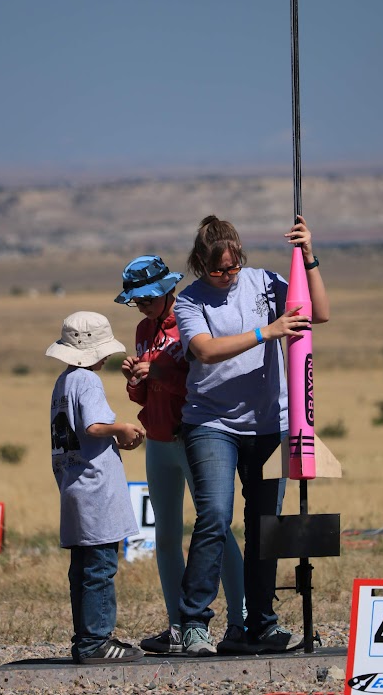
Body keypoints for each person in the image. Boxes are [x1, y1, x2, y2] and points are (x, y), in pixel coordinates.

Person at [174, 215, 330, 656]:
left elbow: (318, 313)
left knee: (265, 527)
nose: (226, 276)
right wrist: (268, 330)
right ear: (201, 263)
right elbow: (203, 350)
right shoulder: (190, 302)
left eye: (232, 267)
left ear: (241, 256)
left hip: (269, 424)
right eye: (217, 270)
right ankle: (194, 623)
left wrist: (309, 257)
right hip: (211, 424)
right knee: (215, 516)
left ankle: (260, 624)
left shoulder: (264, 283)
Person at [114, 255, 246, 654]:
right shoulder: (143, 329)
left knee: (216, 529)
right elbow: (144, 391)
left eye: (148, 299)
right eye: (137, 301)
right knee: (167, 537)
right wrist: (136, 379)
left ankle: (240, 620)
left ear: (167, 291)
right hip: (157, 441)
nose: (142, 306)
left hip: (192, 437)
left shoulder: (187, 321)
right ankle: (177, 624)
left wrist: (155, 373)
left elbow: (197, 381)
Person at [46, 311, 146, 664]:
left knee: (83, 569)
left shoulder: (63, 382)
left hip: (74, 487)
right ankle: (96, 643)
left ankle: (86, 638)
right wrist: (122, 428)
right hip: (95, 490)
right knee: (101, 567)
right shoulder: (87, 382)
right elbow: (93, 426)